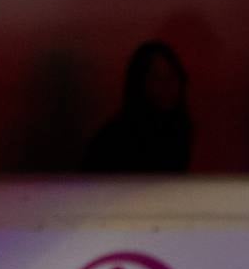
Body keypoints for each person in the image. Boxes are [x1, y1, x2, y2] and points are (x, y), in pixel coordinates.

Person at [82, 41, 192, 173]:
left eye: (172, 76)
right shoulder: (115, 141)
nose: (167, 85)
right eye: (156, 77)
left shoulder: (183, 132)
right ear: (139, 83)